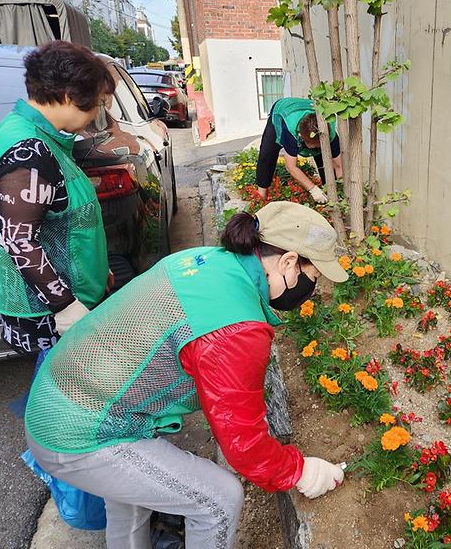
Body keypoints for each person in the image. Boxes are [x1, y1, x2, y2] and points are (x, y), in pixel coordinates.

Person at [24, 201, 349, 549]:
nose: (311, 292)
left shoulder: (205, 261)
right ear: (287, 262)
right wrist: (300, 471)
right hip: (80, 431)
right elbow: (243, 446)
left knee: (131, 502)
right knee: (219, 500)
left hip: (57, 400)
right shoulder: (235, 326)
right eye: (312, 278)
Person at [0, 40, 115, 359]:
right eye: (97, 104)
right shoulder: (28, 151)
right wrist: (65, 307)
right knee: (64, 398)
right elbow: (18, 241)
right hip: (56, 317)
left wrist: (98, 270)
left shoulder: (44, 139)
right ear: (70, 97)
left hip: (74, 297)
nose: (98, 113)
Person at [256, 97, 343, 204]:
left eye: (317, 146)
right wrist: (313, 189)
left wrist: (340, 191)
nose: (313, 149)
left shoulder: (330, 131)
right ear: (300, 136)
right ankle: (260, 197)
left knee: (322, 157)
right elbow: (291, 167)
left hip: (307, 111)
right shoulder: (290, 130)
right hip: (283, 110)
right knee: (267, 154)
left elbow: (339, 165)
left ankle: (330, 194)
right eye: (311, 145)